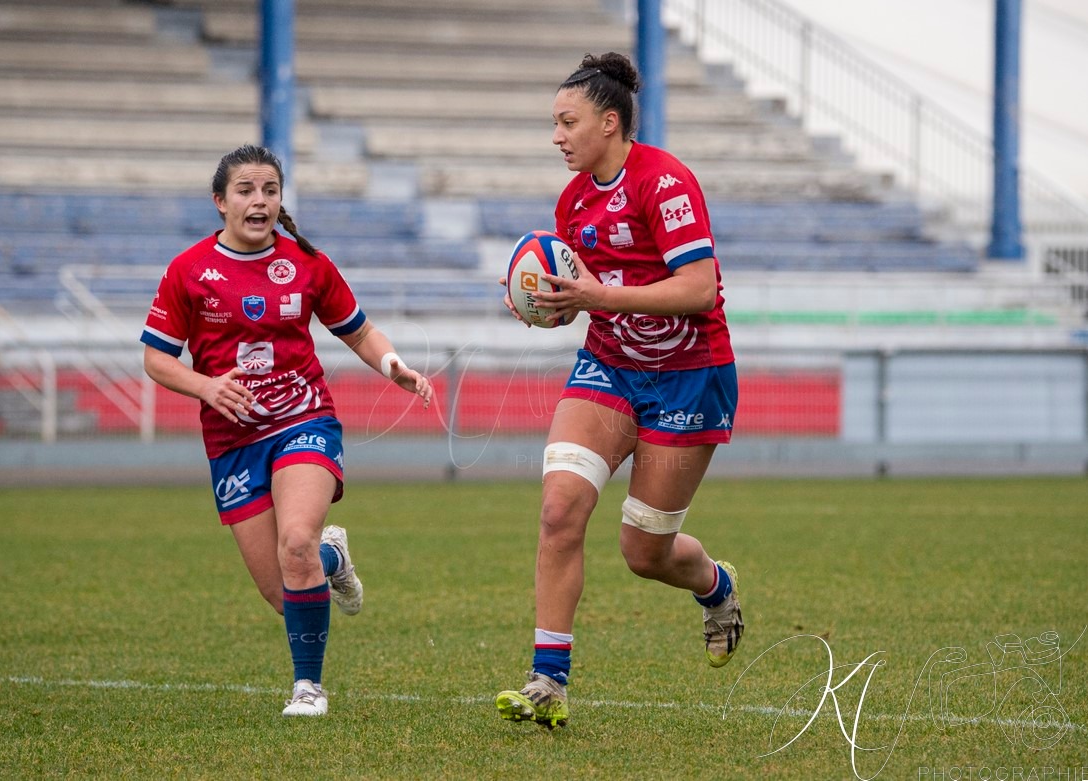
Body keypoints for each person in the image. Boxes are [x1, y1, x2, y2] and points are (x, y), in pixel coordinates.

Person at [495, 53, 743, 729]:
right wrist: (548, 301)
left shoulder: (665, 182)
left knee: (645, 551)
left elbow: (697, 290)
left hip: (689, 376)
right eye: (554, 123)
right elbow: (587, 297)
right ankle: (548, 679)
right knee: (559, 508)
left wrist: (597, 293)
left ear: (610, 122)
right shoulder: (572, 200)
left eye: (567, 121)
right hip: (609, 365)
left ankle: (717, 588)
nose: (557, 135)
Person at [141, 144, 433, 717]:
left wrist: (393, 364)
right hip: (231, 442)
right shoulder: (188, 271)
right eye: (246, 191)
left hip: (305, 421)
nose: (260, 201)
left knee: (294, 540)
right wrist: (206, 386)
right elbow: (156, 358)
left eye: (270, 191)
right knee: (285, 591)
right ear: (220, 202)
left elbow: (359, 331)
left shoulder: (307, 263)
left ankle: (308, 689)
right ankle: (333, 559)